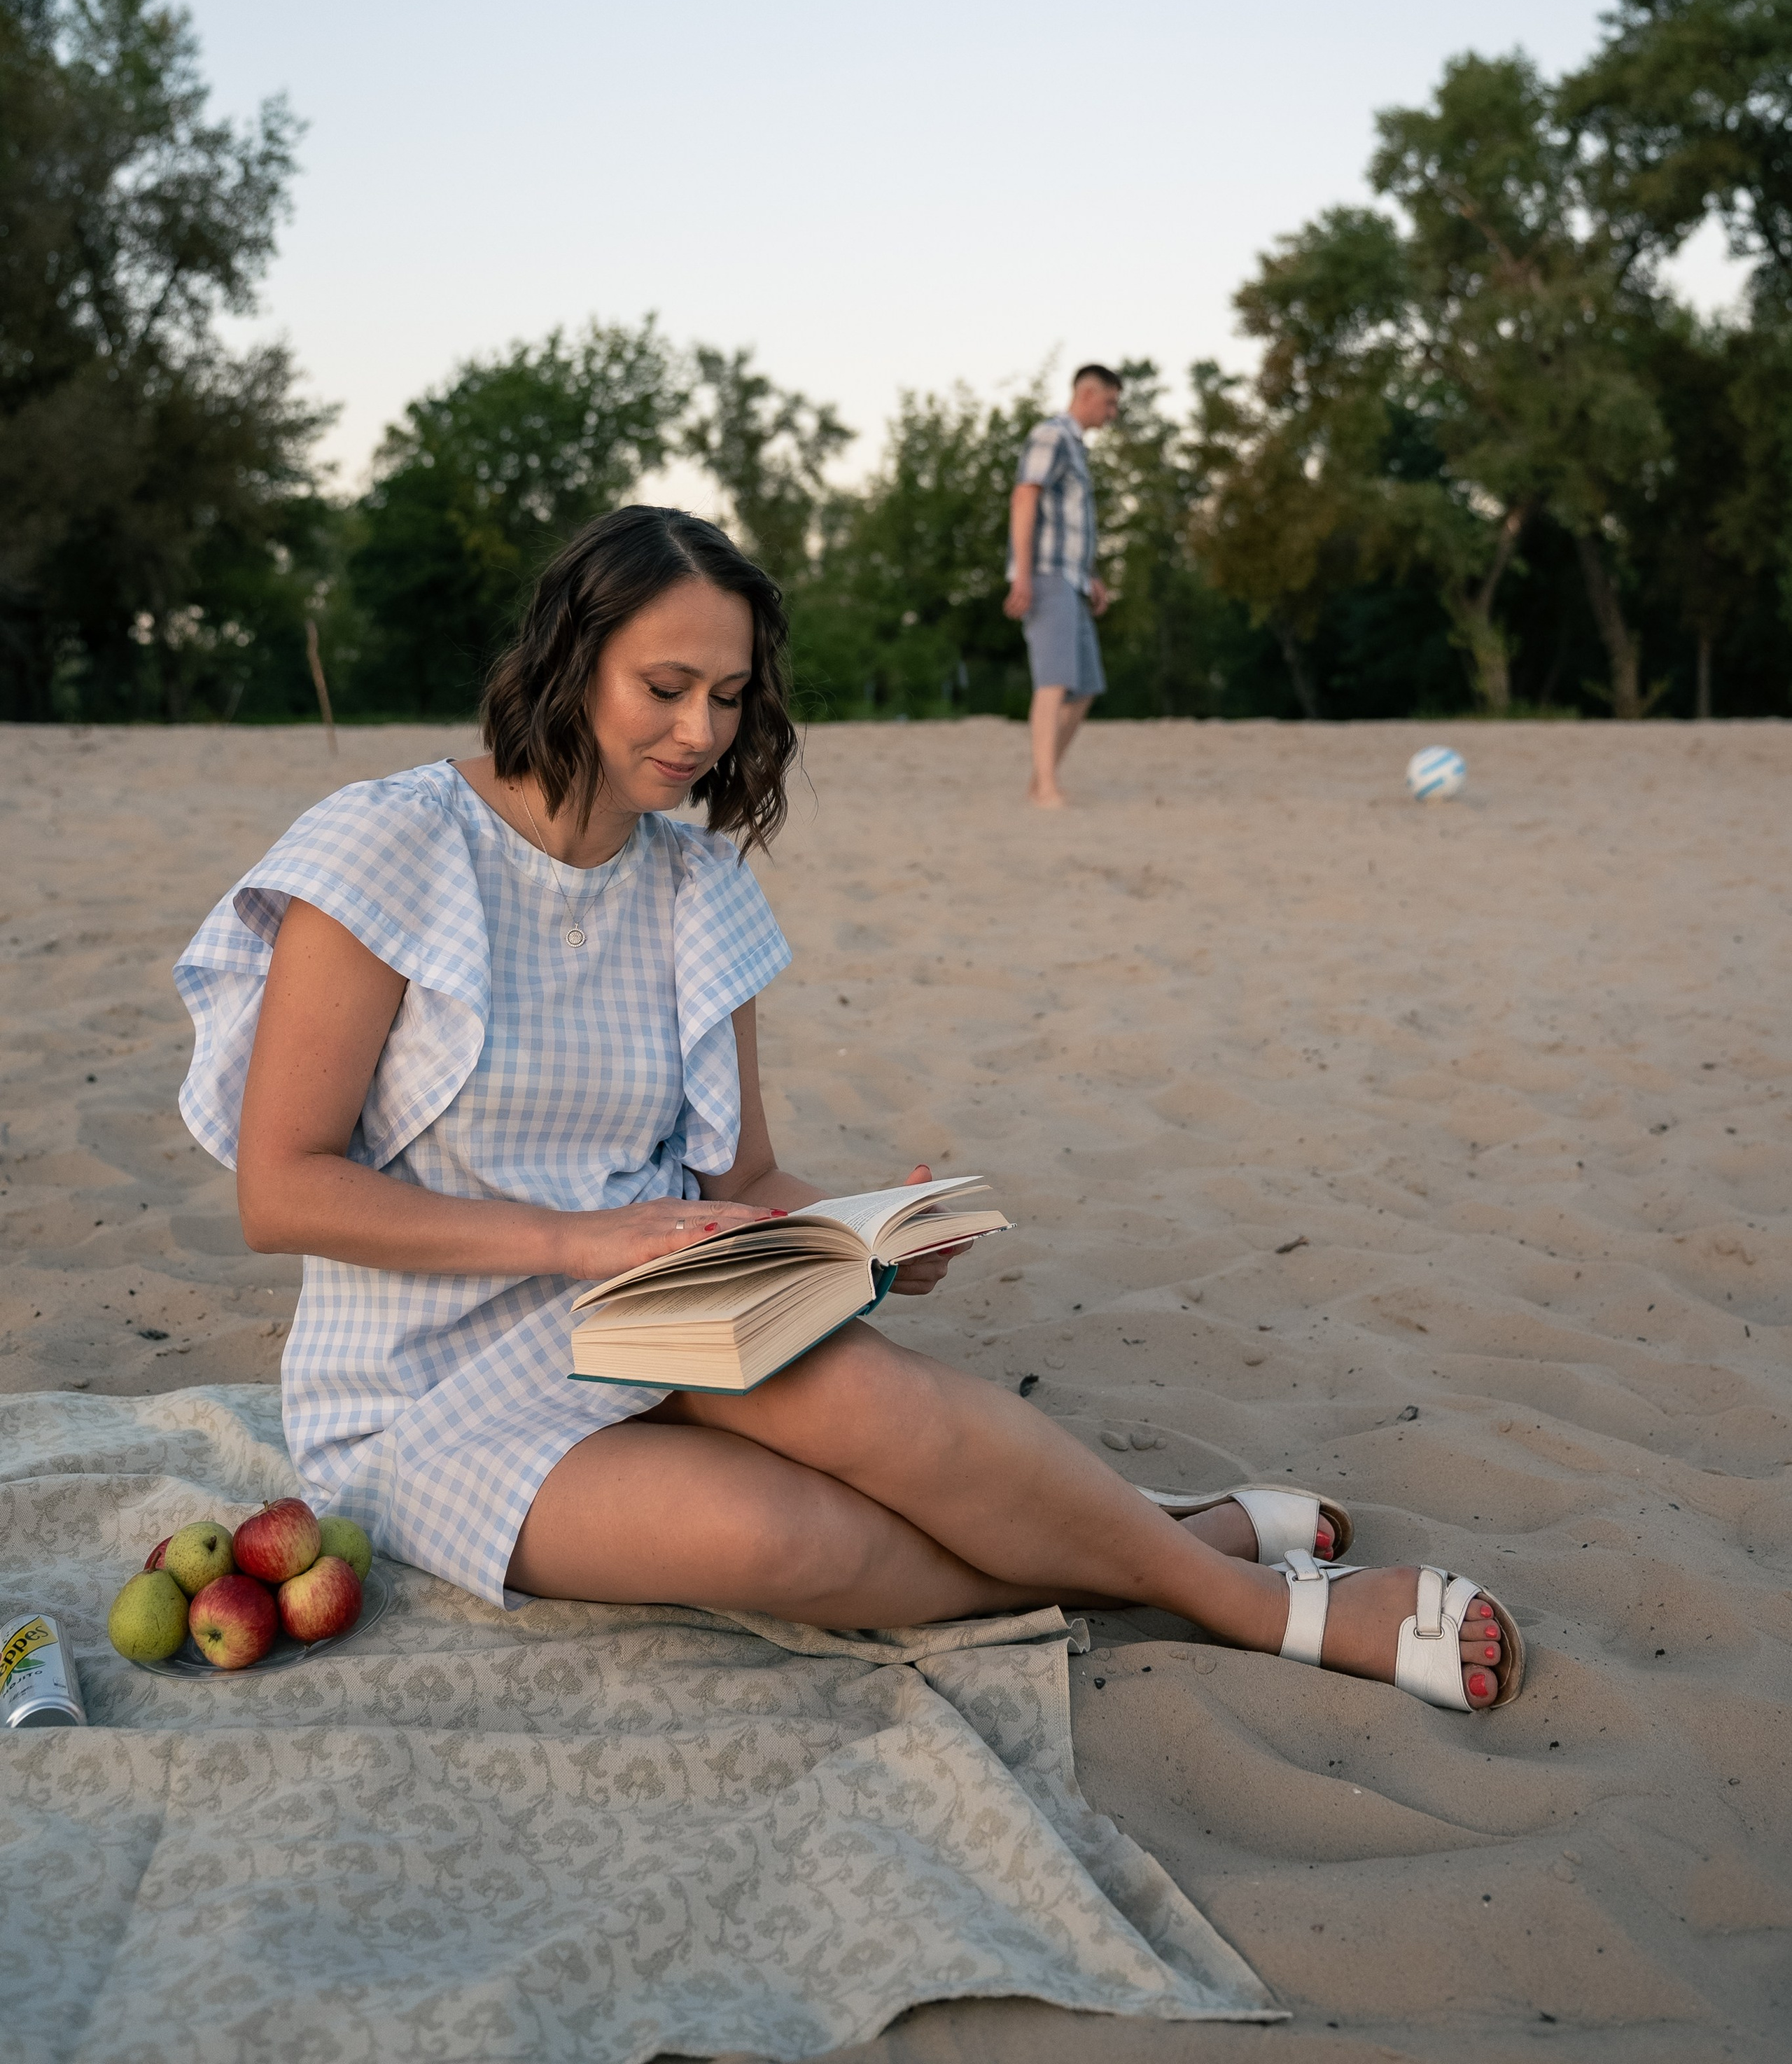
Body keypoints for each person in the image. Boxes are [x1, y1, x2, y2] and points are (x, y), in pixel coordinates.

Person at [174, 505, 1521, 1712]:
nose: (700, 732)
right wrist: (575, 1241)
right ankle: (1174, 1549)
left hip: (652, 1314)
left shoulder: (694, 886)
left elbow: (745, 1178)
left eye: (729, 695)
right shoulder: (390, 843)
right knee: (792, 1544)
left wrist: (871, 1232)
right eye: (665, 685)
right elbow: (281, 1188)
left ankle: (1249, 1607)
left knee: (887, 1415)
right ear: (569, 657)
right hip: (422, 1393)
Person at [1004, 365, 1121, 807]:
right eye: (1109, 403)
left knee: (1086, 686)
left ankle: (1042, 780)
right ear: (1088, 395)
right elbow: (1025, 498)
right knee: (1053, 682)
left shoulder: (1077, 448)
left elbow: (1069, 522)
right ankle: (1046, 788)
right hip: (1046, 576)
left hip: (1072, 579)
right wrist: (1023, 573)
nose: (1112, 414)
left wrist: (1090, 575)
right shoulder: (1052, 435)